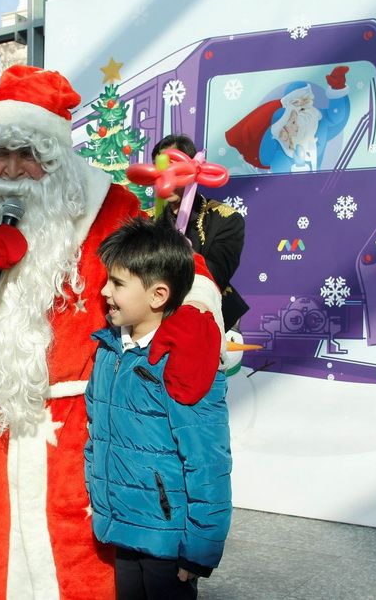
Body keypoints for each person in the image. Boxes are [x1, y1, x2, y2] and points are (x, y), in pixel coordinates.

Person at [0, 65, 225, 599]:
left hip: (79, 426)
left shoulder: (106, 207)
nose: (11, 169)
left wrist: (193, 316)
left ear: (55, 156)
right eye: (0, 154)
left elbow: (176, 267)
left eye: (27, 154)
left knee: (79, 564)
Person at [86, 218, 232, 600]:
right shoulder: (108, 350)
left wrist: (199, 551)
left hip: (168, 541)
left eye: (117, 283)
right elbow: (97, 435)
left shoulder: (184, 360)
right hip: (123, 528)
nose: (104, 291)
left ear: (158, 295)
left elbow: (209, 464)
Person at [151, 134, 249, 331]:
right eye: (160, 169)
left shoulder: (226, 219)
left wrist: (179, 253)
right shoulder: (145, 221)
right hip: (155, 317)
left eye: (174, 168)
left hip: (210, 317)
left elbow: (217, 273)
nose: (166, 177)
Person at [225, 65, 351, 173]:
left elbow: (337, 117)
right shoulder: (279, 136)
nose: (304, 107)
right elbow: (266, 157)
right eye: (298, 103)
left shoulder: (318, 120)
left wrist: (337, 88)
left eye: (307, 102)